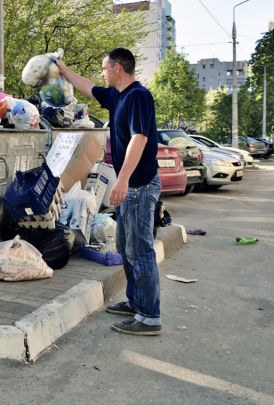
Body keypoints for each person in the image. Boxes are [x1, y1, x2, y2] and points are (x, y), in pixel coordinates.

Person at [57, 48, 162, 336]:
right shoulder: (117, 96)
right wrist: (63, 68)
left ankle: (150, 317)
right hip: (130, 185)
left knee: (140, 251)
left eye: (105, 67)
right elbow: (87, 87)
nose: (102, 73)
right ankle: (136, 303)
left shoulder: (139, 96)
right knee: (126, 246)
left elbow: (138, 139)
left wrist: (122, 179)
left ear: (118, 68)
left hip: (139, 185)